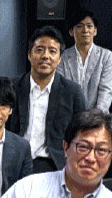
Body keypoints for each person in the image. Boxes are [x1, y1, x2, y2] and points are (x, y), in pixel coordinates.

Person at [7, 26, 88, 175]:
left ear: (59, 59)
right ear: (29, 55)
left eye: (52, 51)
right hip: (15, 162)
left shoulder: (72, 92)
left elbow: (84, 133)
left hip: (53, 164)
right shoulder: (12, 87)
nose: (45, 56)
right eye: (39, 50)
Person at [59, 10, 112, 113]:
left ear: (95, 31)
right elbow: (61, 90)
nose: (85, 30)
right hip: (69, 116)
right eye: (79, 26)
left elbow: (106, 91)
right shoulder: (62, 57)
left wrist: (94, 118)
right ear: (71, 31)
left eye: (89, 26)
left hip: (98, 117)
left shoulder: (106, 56)